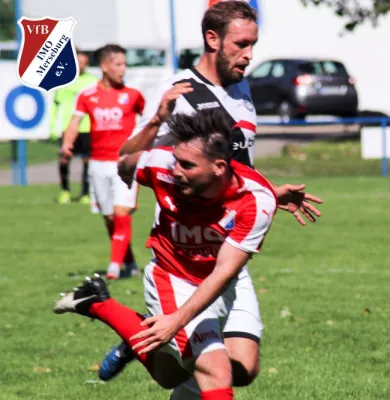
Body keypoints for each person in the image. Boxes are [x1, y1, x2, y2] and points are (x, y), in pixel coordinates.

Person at [97, 2, 322, 398]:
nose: (250, 54)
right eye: (241, 44)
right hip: (185, 249)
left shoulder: (242, 87)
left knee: (244, 368)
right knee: (210, 371)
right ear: (212, 39)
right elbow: (127, 163)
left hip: (227, 247)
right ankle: (142, 331)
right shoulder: (178, 91)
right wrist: (154, 121)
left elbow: (231, 166)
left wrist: (269, 191)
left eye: (253, 44)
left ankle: (148, 335)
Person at [54, 108, 279, 400]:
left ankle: (99, 303)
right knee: (215, 371)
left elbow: (225, 271)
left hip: (224, 280)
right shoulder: (160, 163)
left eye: (187, 165)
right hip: (172, 278)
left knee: (238, 370)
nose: (176, 170)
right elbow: (126, 162)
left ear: (220, 167)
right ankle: (124, 318)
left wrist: (177, 321)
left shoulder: (256, 200)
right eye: (176, 161)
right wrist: (126, 173)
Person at [61, 44, 145, 280]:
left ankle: (113, 268)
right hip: (98, 165)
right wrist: (68, 143)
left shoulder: (133, 95)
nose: (123, 69)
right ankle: (129, 263)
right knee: (110, 217)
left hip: (125, 164)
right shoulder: (88, 95)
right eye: (118, 64)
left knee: (121, 213)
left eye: (124, 64)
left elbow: (149, 121)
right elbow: (75, 122)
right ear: (105, 67)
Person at [49, 49, 98, 204]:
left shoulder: (93, 81)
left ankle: (85, 193)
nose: (80, 65)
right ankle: (65, 191)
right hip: (67, 127)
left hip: (87, 128)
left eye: (83, 62)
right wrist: (52, 127)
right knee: (64, 160)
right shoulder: (63, 81)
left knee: (87, 161)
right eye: (78, 62)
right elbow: (56, 105)